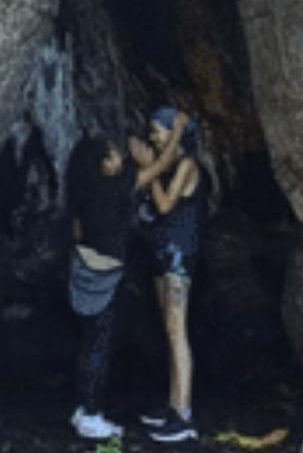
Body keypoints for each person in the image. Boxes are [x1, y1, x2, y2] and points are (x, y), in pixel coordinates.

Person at [65, 121, 185, 440]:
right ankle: (91, 416)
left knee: (88, 343)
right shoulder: (117, 188)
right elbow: (161, 164)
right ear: (103, 164)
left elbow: (77, 233)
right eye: (115, 155)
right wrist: (179, 130)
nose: (120, 159)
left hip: (81, 272)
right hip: (104, 276)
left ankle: (83, 407)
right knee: (100, 348)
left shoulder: (84, 191)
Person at [131, 107, 206, 443]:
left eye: (157, 131)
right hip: (163, 255)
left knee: (177, 334)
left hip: (179, 257)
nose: (152, 137)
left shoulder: (188, 165)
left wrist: (149, 167)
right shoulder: (169, 165)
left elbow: (164, 205)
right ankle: (173, 404)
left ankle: (184, 415)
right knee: (168, 333)